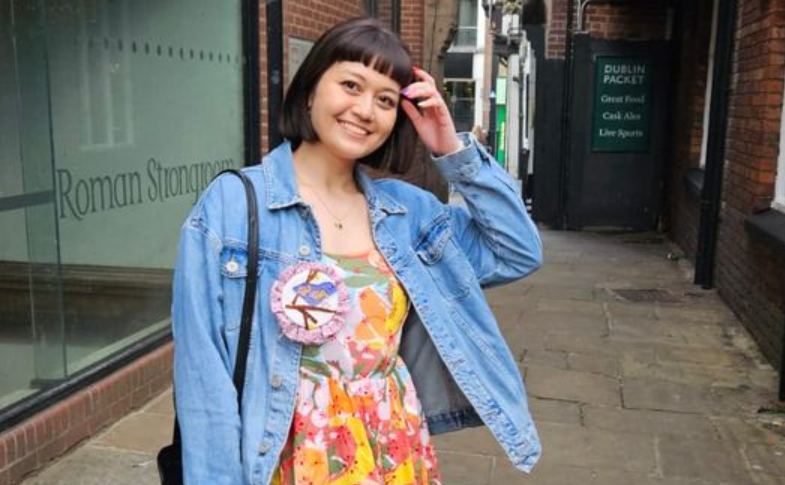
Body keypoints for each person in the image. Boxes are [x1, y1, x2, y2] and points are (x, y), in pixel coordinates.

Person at [172, 17, 543, 485]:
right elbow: (202, 374)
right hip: (284, 453)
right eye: (351, 84)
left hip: (392, 444)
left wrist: (452, 151)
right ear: (310, 90)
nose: (365, 110)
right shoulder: (232, 206)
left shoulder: (409, 214)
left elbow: (517, 250)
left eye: (386, 100)